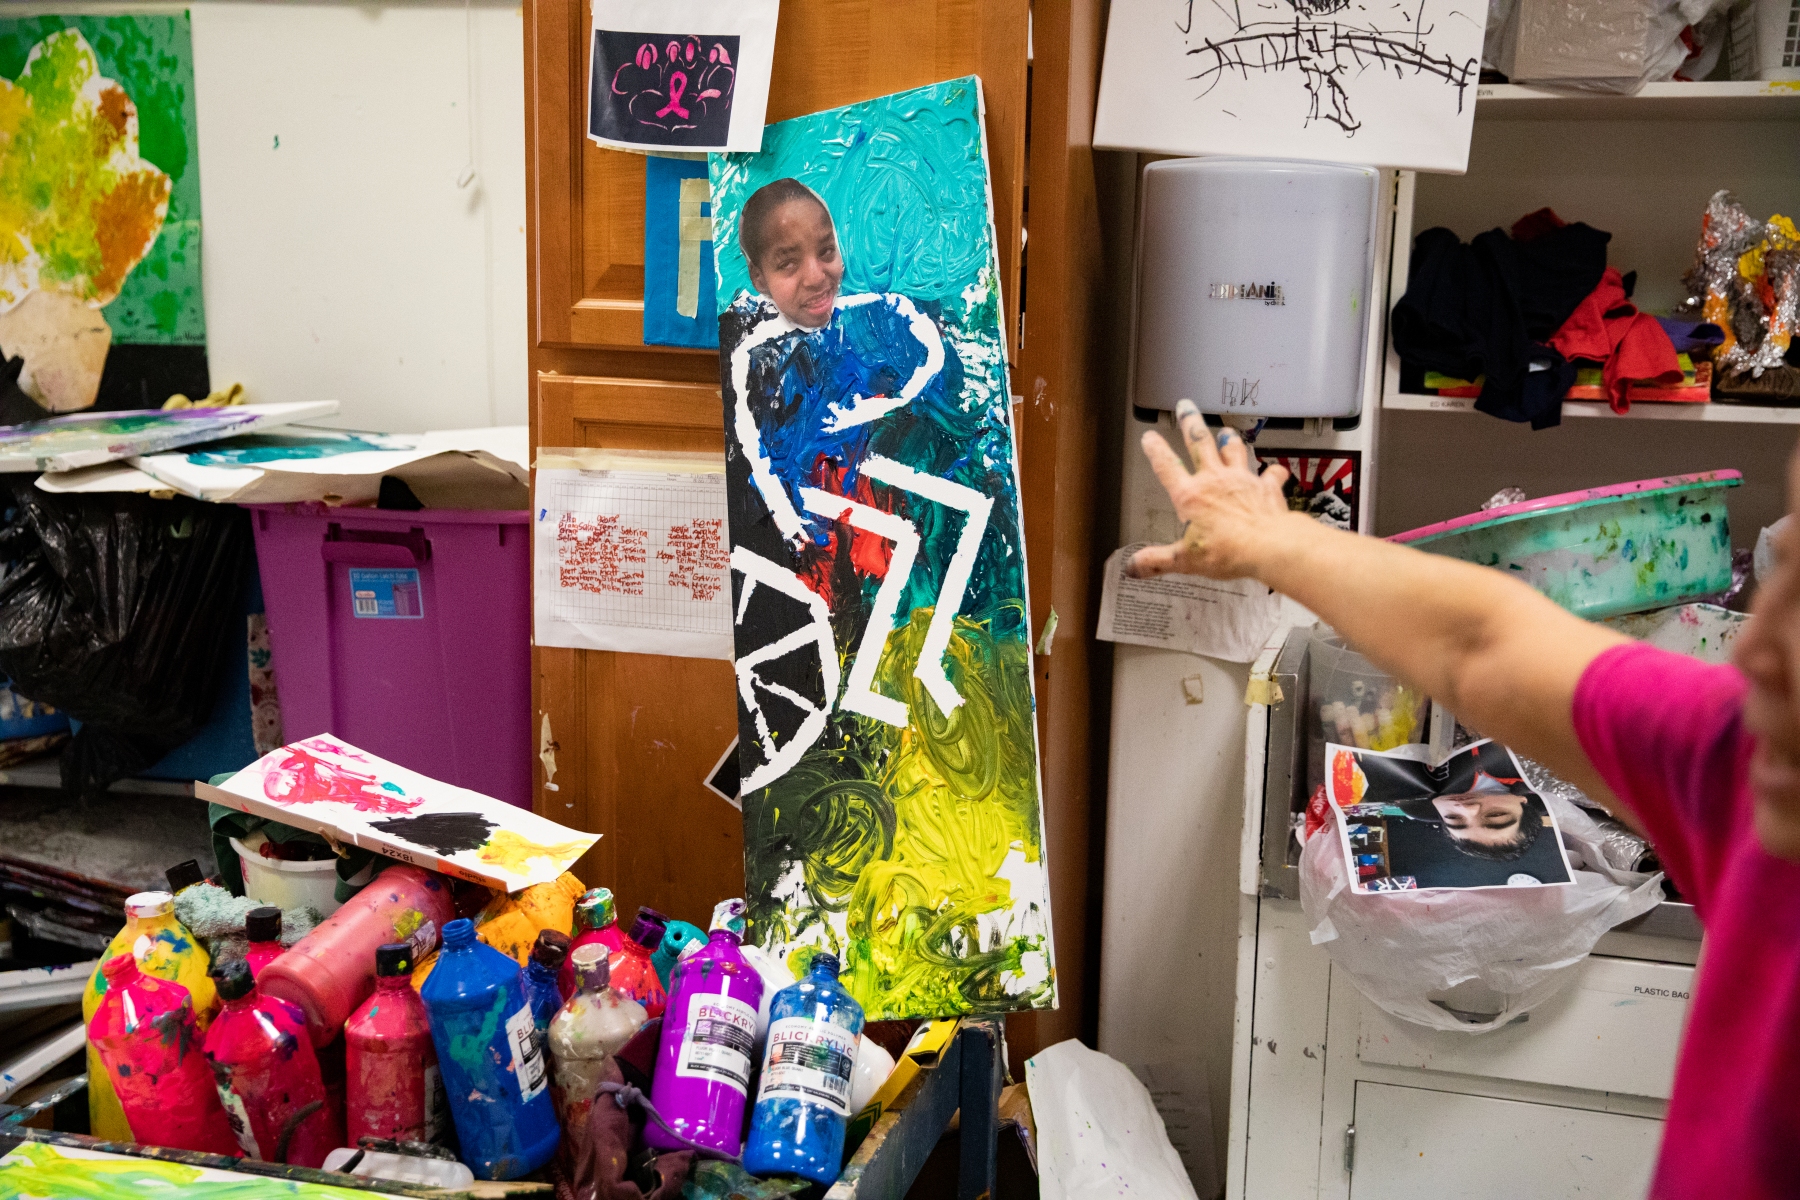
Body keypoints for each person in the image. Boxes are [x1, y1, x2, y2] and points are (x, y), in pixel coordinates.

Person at [1130, 398, 1800, 1199]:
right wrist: (1275, 540)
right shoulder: (1740, 759)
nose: (1755, 653)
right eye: (1788, 571)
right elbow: (1482, 642)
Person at [726, 178, 962, 551]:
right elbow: (753, 450)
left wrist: (884, 405)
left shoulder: (874, 316)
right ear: (759, 277)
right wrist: (787, 522)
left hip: (911, 513)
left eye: (826, 251)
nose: (816, 276)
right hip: (828, 535)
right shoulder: (754, 362)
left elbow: (930, 346)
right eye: (788, 264)